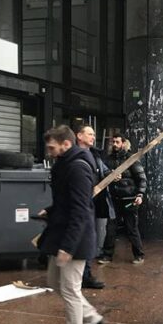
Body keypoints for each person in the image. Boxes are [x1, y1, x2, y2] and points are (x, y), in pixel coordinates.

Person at [38, 125, 105, 324]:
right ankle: (93, 320)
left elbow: (81, 211)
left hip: (74, 239)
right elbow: (68, 202)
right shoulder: (65, 163)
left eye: (52, 147)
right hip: (64, 234)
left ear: (66, 144)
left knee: (69, 289)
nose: (48, 151)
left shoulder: (76, 168)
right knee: (54, 282)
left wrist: (68, 247)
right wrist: (51, 210)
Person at [75, 124, 114, 290]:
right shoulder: (74, 155)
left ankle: (86, 274)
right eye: (89, 134)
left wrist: (112, 174)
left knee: (91, 239)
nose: (93, 137)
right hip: (80, 203)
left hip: (95, 203)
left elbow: (104, 171)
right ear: (79, 136)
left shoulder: (95, 155)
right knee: (80, 239)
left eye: (93, 134)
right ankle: (80, 276)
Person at [100, 133, 147, 264]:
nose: (115, 144)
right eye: (113, 142)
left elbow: (141, 178)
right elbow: (103, 173)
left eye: (117, 142)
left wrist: (140, 195)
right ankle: (107, 256)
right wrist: (109, 174)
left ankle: (139, 255)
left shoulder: (131, 159)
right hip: (114, 199)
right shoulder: (108, 160)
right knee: (111, 228)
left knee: (131, 228)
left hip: (130, 199)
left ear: (123, 143)